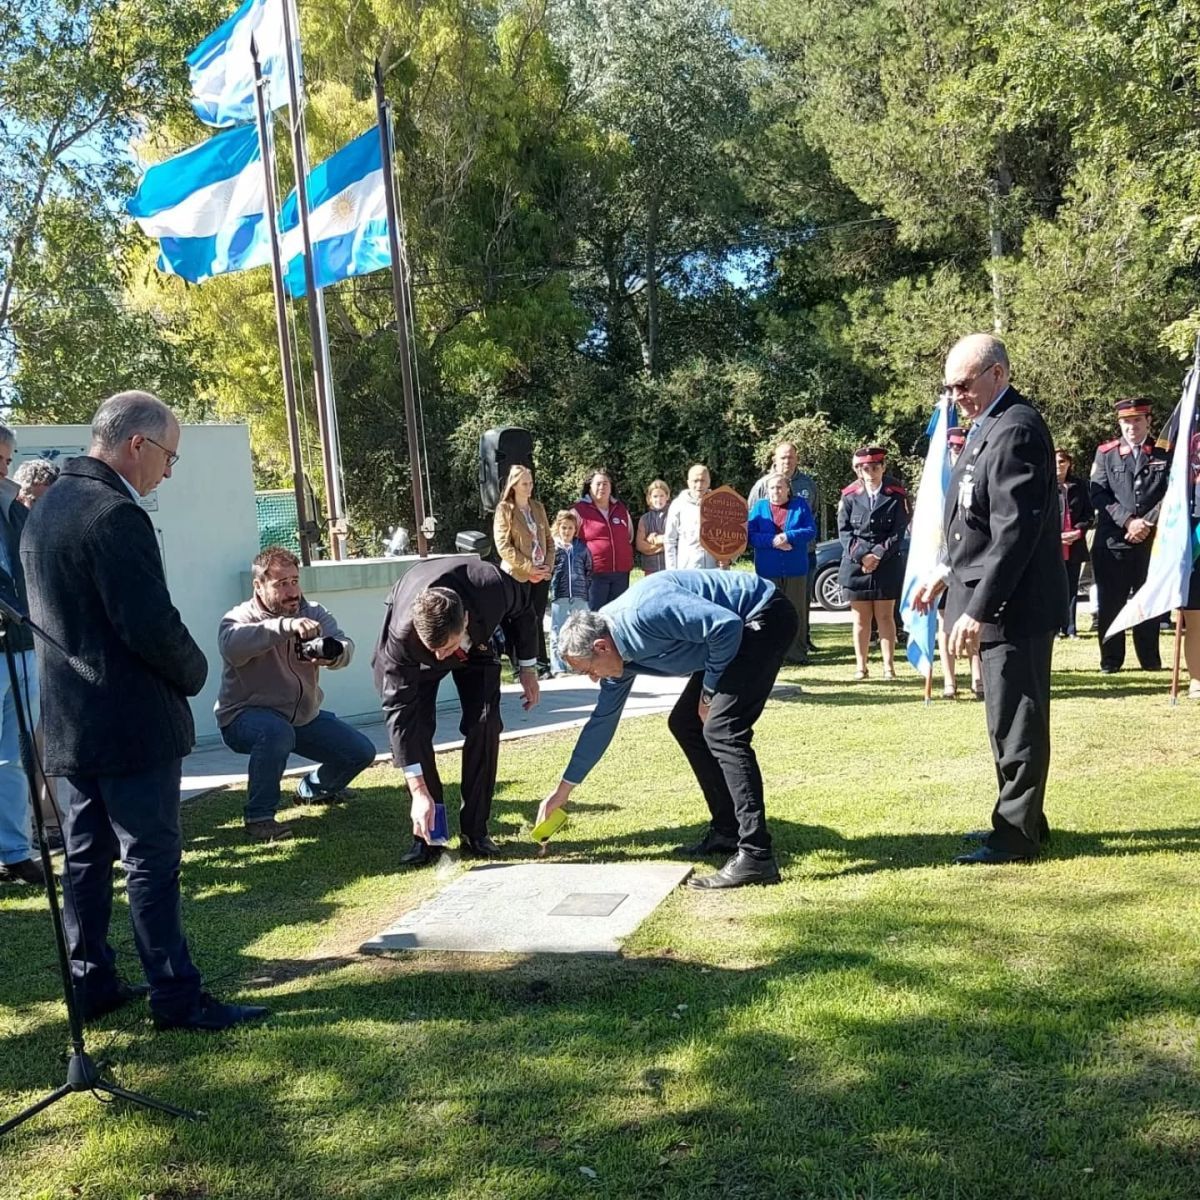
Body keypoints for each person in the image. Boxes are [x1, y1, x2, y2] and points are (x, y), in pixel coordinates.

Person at [22, 390, 268, 1030]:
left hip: (71, 724)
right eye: (169, 457)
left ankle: (92, 983)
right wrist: (195, 671)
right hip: (128, 723)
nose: (167, 471)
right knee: (149, 862)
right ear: (138, 444)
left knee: (85, 858)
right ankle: (176, 996)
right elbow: (148, 624)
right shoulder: (113, 514)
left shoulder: (43, 510)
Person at [535, 570, 796, 890]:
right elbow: (602, 722)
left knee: (723, 730)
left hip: (762, 616)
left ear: (601, 647)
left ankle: (757, 856)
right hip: (731, 636)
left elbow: (726, 626)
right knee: (686, 723)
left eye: (589, 670)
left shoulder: (645, 611)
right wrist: (562, 793)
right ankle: (727, 830)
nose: (593, 678)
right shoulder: (616, 656)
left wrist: (709, 692)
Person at [914, 335, 1067, 866]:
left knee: (1016, 719)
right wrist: (944, 573)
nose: (957, 395)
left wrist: (979, 608)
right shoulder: (988, 427)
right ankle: (1029, 822)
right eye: (950, 387)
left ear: (997, 375)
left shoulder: (1017, 428)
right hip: (994, 597)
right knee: (1005, 716)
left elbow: (1014, 534)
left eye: (964, 384)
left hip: (1014, 606)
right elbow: (971, 521)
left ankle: (1014, 836)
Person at [372, 558, 540, 865]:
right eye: (433, 648)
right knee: (418, 729)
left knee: (486, 723)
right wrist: (418, 789)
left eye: (445, 648)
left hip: (478, 648)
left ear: (465, 619)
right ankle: (429, 835)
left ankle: (475, 831)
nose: (440, 657)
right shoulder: (401, 638)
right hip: (414, 663)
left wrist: (527, 668)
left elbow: (524, 611)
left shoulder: (493, 587)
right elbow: (399, 715)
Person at [215, 546, 376, 842]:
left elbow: (345, 644)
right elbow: (231, 646)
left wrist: (335, 654)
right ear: (258, 586)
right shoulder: (239, 617)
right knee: (276, 733)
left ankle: (312, 790)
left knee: (361, 752)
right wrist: (284, 627)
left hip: (301, 717)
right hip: (243, 718)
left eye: (294, 580)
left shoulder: (313, 612)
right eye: (281, 584)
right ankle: (259, 817)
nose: (292, 592)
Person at [1090, 398, 1169, 673]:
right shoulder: (1106, 453)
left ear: (1148, 421)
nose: (1131, 426)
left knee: (1149, 601)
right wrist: (1127, 521)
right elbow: (1098, 492)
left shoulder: (1162, 454)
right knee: (1110, 603)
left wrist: (1145, 523)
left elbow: (1171, 494)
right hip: (1113, 542)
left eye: (1137, 420)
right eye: (1126, 421)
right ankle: (1111, 660)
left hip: (1151, 541)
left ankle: (1150, 659)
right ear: (1119, 423)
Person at [0, 424, 42, 886]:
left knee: (13, 755)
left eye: (7, 461)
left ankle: (14, 851)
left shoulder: (15, 507)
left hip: (24, 643)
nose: (3, 468)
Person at [837, 447, 909, 680]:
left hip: (885, 562)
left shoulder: (896, 494)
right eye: (865, 469)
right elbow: (845, 532)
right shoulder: (849, 495)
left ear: (883, 468)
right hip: (857, 564)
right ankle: (861, 666)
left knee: (886, 617)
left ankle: (889, 667)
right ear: (858, 470)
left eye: (875, 468)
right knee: (861, 619)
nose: (871, 473)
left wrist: (877, 555)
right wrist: (863, 557)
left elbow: (899, 531)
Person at [749, 442, 821, 654]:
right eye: (772, 488)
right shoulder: (759, 504)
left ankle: (797, 651)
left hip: (796, 565)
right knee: (769, 609)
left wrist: (788, 536)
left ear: (789, 489)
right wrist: (772, 541)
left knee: (796, 608)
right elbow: (750, 534)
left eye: (780, 487)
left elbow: (810, 529)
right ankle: (769, 653)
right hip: (768, 567)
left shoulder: (801, 501)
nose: (776, 491)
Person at [493, 464, 552, 674]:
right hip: (517, 574)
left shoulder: (538, 507)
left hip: (541, 572)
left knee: (537, 617)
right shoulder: (505, 509)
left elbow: (548, 540)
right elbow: (503, 545)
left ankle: (541, 663)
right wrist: (529, 569)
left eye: (531, 483)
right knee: (519, 619)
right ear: (514, 485)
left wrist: (547, 566)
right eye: (525, 484)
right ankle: (520, 664)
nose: (529, 487)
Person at [937, 427, 983, 698]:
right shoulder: (937, 483)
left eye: (961, 447)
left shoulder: (974, 477)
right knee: (946, 623)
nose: (957, 452)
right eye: (953, 448)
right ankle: (949, 681)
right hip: (941, 562)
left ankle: (977, 678)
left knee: (974, 619)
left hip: (969, 561)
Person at [573, 468, 634, 609]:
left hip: (621, 573)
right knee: (594, 616)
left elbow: (629, 536)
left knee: (618, 614)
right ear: (589, 487)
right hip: (594, 575)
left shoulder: (621, 509)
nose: (602, 487)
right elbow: (567, 540)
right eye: (598, 484)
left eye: (606, 484)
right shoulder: (578, 511)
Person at [548, 509, 592, 675]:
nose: (567, 531)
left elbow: (589, 570)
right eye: (564, 528)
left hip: (580, 596)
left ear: (575, 530)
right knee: (558, 631)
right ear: (558, 528)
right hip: (560, 596)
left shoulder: (581, 548)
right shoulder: (553, 548)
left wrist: (583, 587)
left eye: (570, 528)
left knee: (582, 630)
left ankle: (581, 665)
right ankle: (558, 667)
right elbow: (549, 571)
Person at [1056, 448, 1094, 638]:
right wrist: (1056, 534)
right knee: (1053, 586)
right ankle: (1054, 629)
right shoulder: (1043, 485)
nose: (1058, 465)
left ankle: (1070, 628)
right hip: (1052, 545)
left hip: (1075, 544)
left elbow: (1089, 514)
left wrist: (1078, 531)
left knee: (1072, 586)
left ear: (1069, 463)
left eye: (1062, 461)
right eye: (1055, 461)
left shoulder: (1080, 486)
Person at [665, 464, 720, 571]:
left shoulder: (720, 505)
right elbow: (670, 540)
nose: (699, 485)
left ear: (709, 482)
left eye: (703, 480)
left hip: (715, 571)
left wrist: (729, 559)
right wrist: (672, 572)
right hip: (687, 571)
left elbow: (733, 535)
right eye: (695, 481)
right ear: (688, 482)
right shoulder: (678, 505)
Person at [635, 479, 671, 574]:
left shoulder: (673, 516)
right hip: (650, 568)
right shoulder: (644, 519)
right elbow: (640, 545)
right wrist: (663, 547)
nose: (658, 500)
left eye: (661, 496)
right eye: (655, 496)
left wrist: (655, 539)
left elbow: (677, 540)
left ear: (667, 496)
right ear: (649, 498)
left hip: (670, 567)